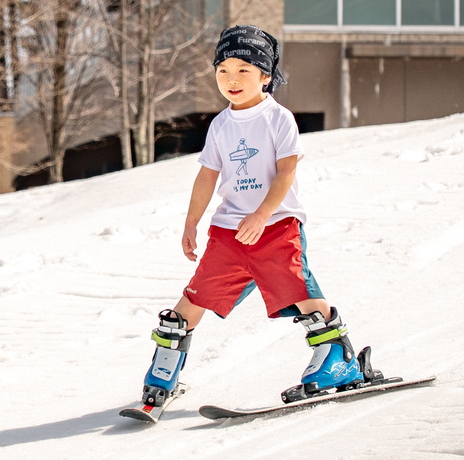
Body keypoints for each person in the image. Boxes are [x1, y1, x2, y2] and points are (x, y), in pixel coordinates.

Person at [139, 25, 377, 410]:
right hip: (229, 232)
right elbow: (206, 177)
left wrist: (263, 214)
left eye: (243, 70)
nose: (231, 79)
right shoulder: (220, 125)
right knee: (193, 299)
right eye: (223, 71)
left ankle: (339, 362)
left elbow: (286, 172)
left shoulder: (278, 119)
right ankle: (163, 371)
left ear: (265, 76)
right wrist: (190, 223)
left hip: (276, 227)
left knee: (300, 293)